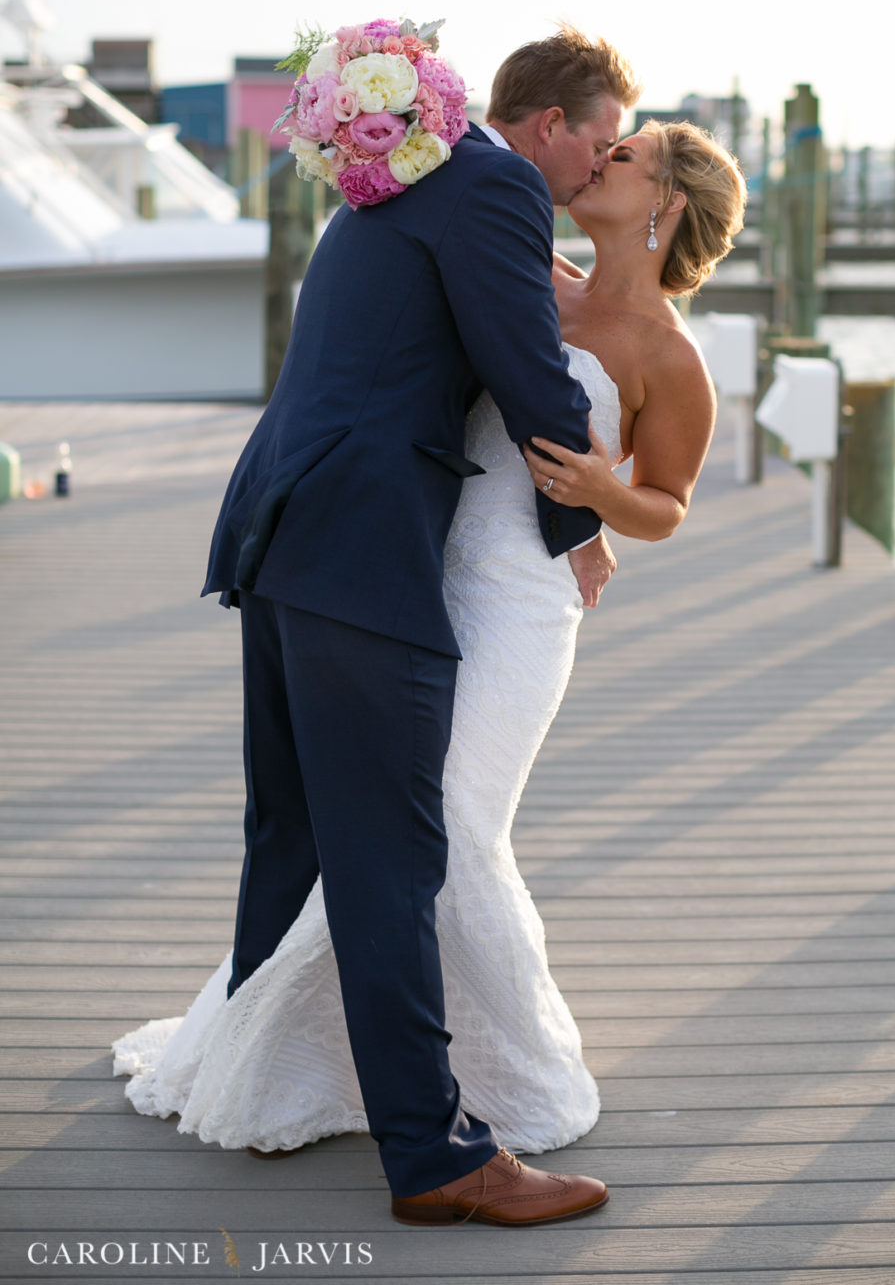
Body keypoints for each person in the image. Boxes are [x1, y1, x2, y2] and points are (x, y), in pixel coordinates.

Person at [113, 76, 745, 1224]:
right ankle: (382, 1113)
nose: (605, 157)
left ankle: (441, 1106)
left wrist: (596, 511)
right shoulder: (513, 246)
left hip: (478, 591)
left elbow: (667, 499)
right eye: (603, 135)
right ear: (547, 123)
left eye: (630, 154)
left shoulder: (665, 350)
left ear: (662, 209)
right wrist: (575, 520)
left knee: (423, 827)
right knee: (378, 836)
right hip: (412, 564)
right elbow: (502, 375)